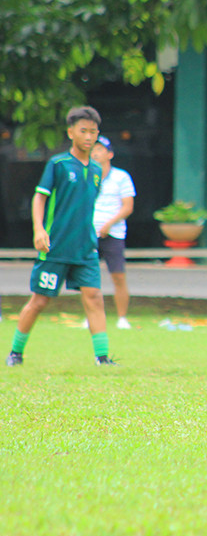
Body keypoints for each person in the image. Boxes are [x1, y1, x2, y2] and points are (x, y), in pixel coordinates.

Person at [7, 106, 115, 367]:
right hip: (55, 246)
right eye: (83, 131)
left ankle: (102, 358)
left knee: (94, 297)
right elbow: (40, 197)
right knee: (40, 300)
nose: (89, 137)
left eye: (93, 132)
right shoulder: (58, 164)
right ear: (71, 132)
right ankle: (15, 353)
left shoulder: (98, 170)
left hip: (86, 248)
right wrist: (39, 229)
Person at [91, 135, 136, 329]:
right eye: (93, 149)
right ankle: (91, 317)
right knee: (89, 278)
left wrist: (109, 224)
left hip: (114, 233)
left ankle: (122, 318)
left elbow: (127, 207)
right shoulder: (85, 176)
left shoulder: (121, 177)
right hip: (89, 234)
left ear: (110, 154)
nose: (95, 152)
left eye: (100, 149)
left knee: (118, 276)